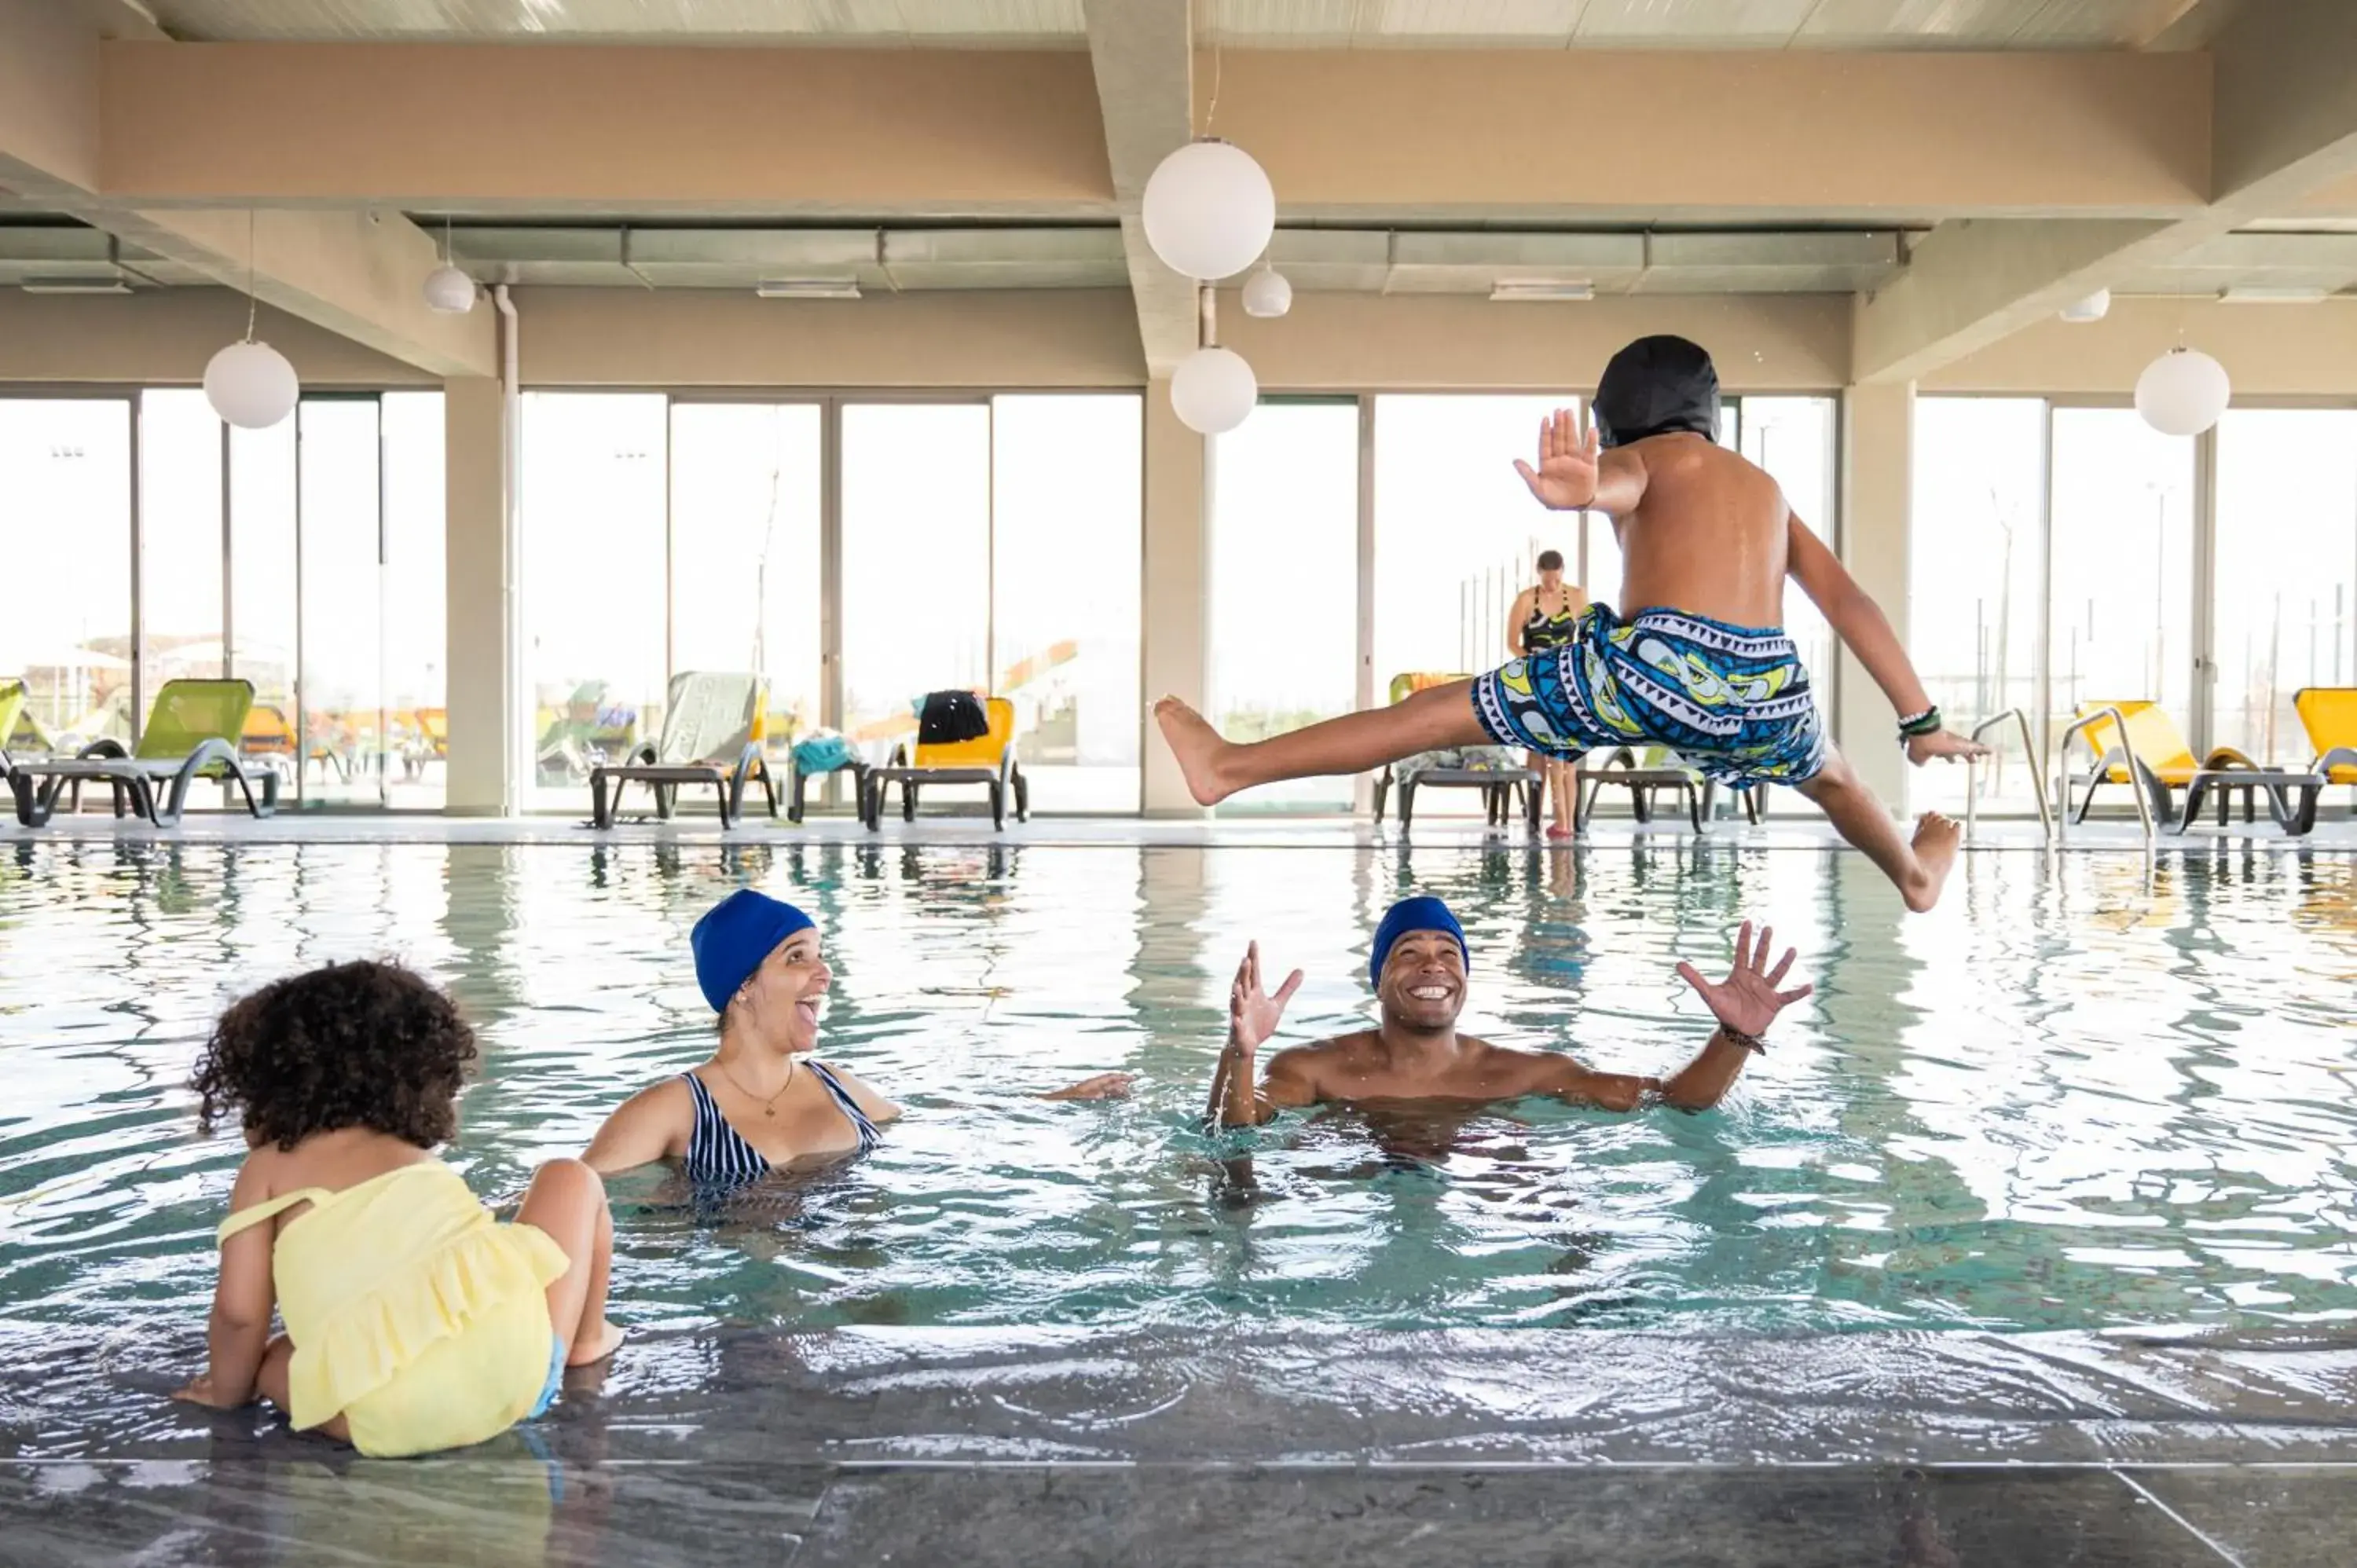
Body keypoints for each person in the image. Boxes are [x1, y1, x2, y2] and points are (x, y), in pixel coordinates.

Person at [1155, 335, 1986, 913]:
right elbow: (1848, 603)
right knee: (1839, 781)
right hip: (1766, 686)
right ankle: (1915, 875)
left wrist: (1584, 487)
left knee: (1426, 717)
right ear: (1711, 416)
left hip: (1658, 666)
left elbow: (1622, 481)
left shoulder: (1650, 457)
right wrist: (1921, 720)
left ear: (1615, 423)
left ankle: (1231, 767)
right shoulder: (1765, 490)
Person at [174, 960, 622, 1458]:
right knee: (571, 1177)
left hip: (380, 1419)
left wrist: (225, 1393)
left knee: (274, 1358)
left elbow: (239, 1315)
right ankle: (586, 1344)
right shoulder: (416, 1160)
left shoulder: (267, 1168)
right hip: (518, 1375)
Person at [584, 888, 1131, 1185]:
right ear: (743, 985)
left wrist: (1060, 1099)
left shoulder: (836, 1086)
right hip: (746, 1315)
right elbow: (568, 1198)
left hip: (860, 1291)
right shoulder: (674, 1109)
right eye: (797, 958)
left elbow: (937, 1117)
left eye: (821, 957)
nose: (824, 975)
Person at [1208, 896, 1809, 1127]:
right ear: (1379, 980)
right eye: (1409, 953)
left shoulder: (1524, 1073)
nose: (1433, 967)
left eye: (1449, 954)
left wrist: (1733, 1036)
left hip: (1488, 1198)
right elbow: (1231, 1131)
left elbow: (1674, 1100)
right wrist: (1240, 1053)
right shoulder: (1315, 1069)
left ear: (1465, 977)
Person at [1506, 548, 1589, 839]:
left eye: (1556, 580)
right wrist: (1533, 664)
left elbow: (1587, 637)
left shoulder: (1577, 597)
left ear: (1562, 572)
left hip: (1567, 680)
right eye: (1547, 580)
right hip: (1536, 679)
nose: (1551, 585)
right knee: (1539, 752)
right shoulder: (1527, 600)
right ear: (1539, 573)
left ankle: (1566, 822)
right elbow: (1512, 643)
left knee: (1566, 756)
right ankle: (1538, 818)